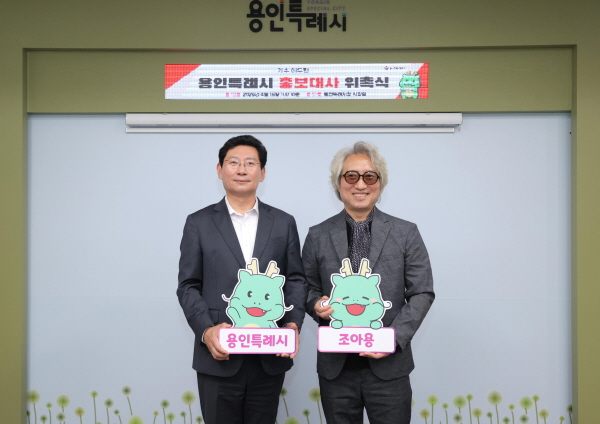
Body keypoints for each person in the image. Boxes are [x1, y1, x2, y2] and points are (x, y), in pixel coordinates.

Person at [177, 135, 307, 424]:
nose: (242, 169)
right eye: (233, 162)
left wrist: (293, 324)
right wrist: (206, 331)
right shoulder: (198, 223)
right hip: (219, 354)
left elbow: (296, 279)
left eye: (250, 163)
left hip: (269, 354)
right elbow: (188, 286)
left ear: (262, 172)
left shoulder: (283, 222)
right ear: (220, 169)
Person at [303, 141, 434, 424]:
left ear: (380, 183)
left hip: (389, 366)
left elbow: (422, 292)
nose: (360, 184)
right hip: (336, 368)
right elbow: (306, 287)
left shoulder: (406, 232)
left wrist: (392, 339)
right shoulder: (317, 235)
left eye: (369, 176)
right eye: (351, 176)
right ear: (338, 183)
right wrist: (316, 304)